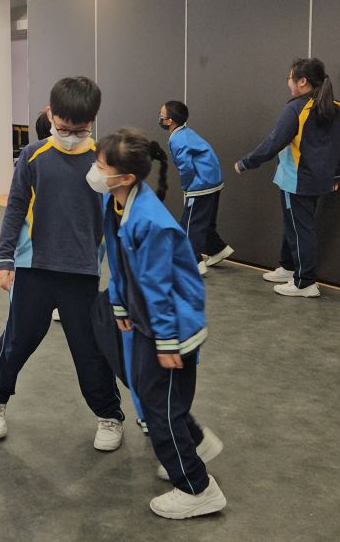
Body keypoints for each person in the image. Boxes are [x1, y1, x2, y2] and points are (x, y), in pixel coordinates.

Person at [0, 77, 125, 450]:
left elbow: (118, 218)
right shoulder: (33, 156)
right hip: (34, 267)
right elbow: (15, 207)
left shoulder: (104, 161)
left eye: (80, 130)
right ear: (50, 115)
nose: (71, 136)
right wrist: (4, 258)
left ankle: (110, 416)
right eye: (63, 129)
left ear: (92, 121)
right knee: (17, 340)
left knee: (90, 348)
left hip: (82, 271)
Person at [95, 127, 226, 519]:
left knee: (158, 410)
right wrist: (120, 307)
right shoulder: (116, 205)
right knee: (158, 396)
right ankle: (196, 442)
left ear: (125, 177)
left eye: (101, 165)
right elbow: (120, 264)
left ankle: (197, 487)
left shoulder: (150, 222)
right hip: (147, 321)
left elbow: (159, 286)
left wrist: (167, 341)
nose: (95, 171)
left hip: (170, 328)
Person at [235, 58, 340, 298]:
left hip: (297, 181)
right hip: (318, 180)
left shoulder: (296, 109)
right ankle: (288, 267)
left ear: (302, 81)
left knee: (300, 229)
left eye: (289, 78)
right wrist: (338, 173)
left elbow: (273, 142)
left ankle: (304, 282)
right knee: (294, 224)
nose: (288, 82)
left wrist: (246, 162)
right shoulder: (337, 107)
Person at [160, 101, 233, 276]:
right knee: (203, 221)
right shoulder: (187, 133)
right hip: (213, 181)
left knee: (189, 225)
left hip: (200, 186)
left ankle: (193, 263)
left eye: (161, 115)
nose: (160, 118)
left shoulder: (176, 139)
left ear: (170, 121)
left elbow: (185, 167)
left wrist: (187, 188)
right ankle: (218, 249)